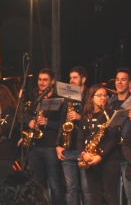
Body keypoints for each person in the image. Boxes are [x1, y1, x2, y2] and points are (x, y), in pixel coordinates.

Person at [77, 84, 121, 205]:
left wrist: (100, 157)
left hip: (109, 160)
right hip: (90, 158)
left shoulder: (111, 114)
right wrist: (83, 154)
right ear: (91, 97)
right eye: (99, 95)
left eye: (105, 95)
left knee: (111, 196)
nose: (103, 98)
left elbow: (113, 139)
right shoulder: (85, 116)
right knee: (95, 198)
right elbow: (80, 139)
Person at [26, 68, 64, 205]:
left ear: (52, 81)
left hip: (50, 146)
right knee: (38, 184)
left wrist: (48, 122)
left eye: (45, 80)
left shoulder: (58, 100)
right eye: (40, 79)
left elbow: (62, 123)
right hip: (35, 146)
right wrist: (30, 122)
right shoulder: (37, 99)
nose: (41, 83)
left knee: (54, 184)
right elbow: (28, 117)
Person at [55, 66, 91, 205]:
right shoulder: (67, 98)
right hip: (68, 148)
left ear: (83, 79)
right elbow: (61, 122)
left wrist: (79, 117)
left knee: (86, 188)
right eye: (70, 78)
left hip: (84, 148)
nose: (72, 80)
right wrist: (58, 144)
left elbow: (94, 119)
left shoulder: (89, 96)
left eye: (75, 77)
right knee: (70, 189)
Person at [108, 67, 131, 205]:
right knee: (112, 193)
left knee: (130, 193)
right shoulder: (109, 102)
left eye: (123, 80)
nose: (119, 83)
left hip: (127, 154)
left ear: (129, 83)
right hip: (111, 153)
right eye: (117, 80)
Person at [0, 84, 21, 184]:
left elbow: (12, 124)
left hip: (6, 154)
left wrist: (0, 129)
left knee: (4, 181)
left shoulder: (9, 110)